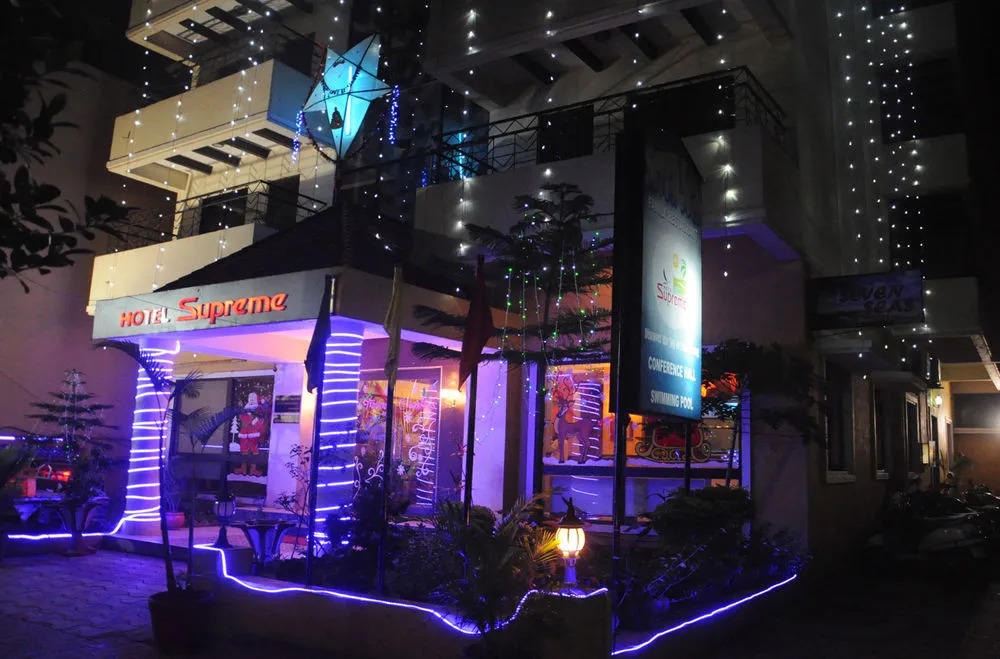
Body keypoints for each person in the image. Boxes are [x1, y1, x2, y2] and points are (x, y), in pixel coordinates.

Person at [233, 391, 268, 476]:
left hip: (253, 433)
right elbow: (242, 418)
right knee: (244, 450)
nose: (251, 400)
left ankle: (253, 470)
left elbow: (261, 419)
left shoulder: (258, 409)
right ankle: (243, 469)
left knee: (254, 450)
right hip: (244, 433)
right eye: (250, 398)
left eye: (253, 398)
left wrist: (254, 421)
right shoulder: (245, 409)